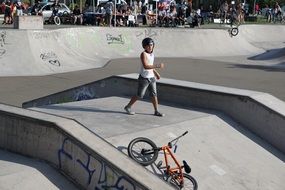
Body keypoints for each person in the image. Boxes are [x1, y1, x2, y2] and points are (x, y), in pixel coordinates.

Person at [124, 38, 165, 117]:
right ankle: (128, 107)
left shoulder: (152, 54)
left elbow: (151, 65)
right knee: (140, 95)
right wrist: (158, 65)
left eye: (151, 45)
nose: (150, 47)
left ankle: (156, 111)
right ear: (144, 46)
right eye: (148, 46)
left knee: (154, 95)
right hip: (144, 78)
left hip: (152, 78)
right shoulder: (143, 54)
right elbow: (146, 66)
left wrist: (156, 73)